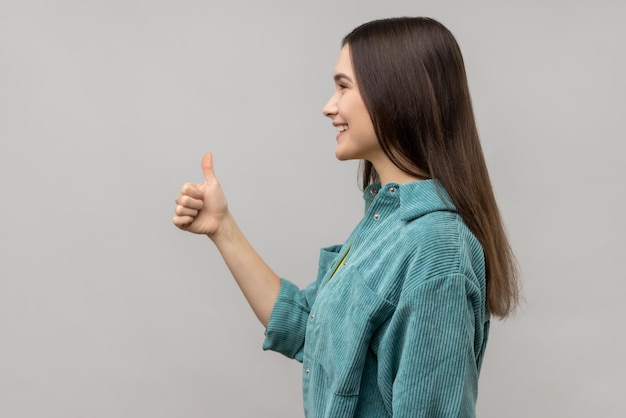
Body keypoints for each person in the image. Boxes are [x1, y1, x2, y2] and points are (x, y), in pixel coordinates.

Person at [173, 16, 519, 418]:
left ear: (393, 92)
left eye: (342, 87)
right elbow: (307, 327)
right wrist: (222, 227)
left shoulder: (436, 249)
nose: (328, 106)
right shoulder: (387, 225)